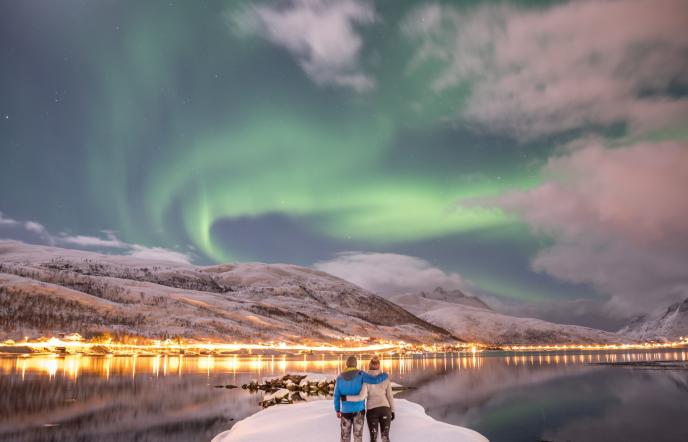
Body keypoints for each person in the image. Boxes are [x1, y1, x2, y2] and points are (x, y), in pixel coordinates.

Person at [334, 355, 389, 442]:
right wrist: (385, 375)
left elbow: (336, 396)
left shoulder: (339, 378)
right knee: (358, 437)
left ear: (346, 364)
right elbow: (374, 380)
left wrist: (337, 410)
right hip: (359, 411)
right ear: (356, 364)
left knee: (345, 437)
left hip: (345, 411)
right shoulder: (360, 374)